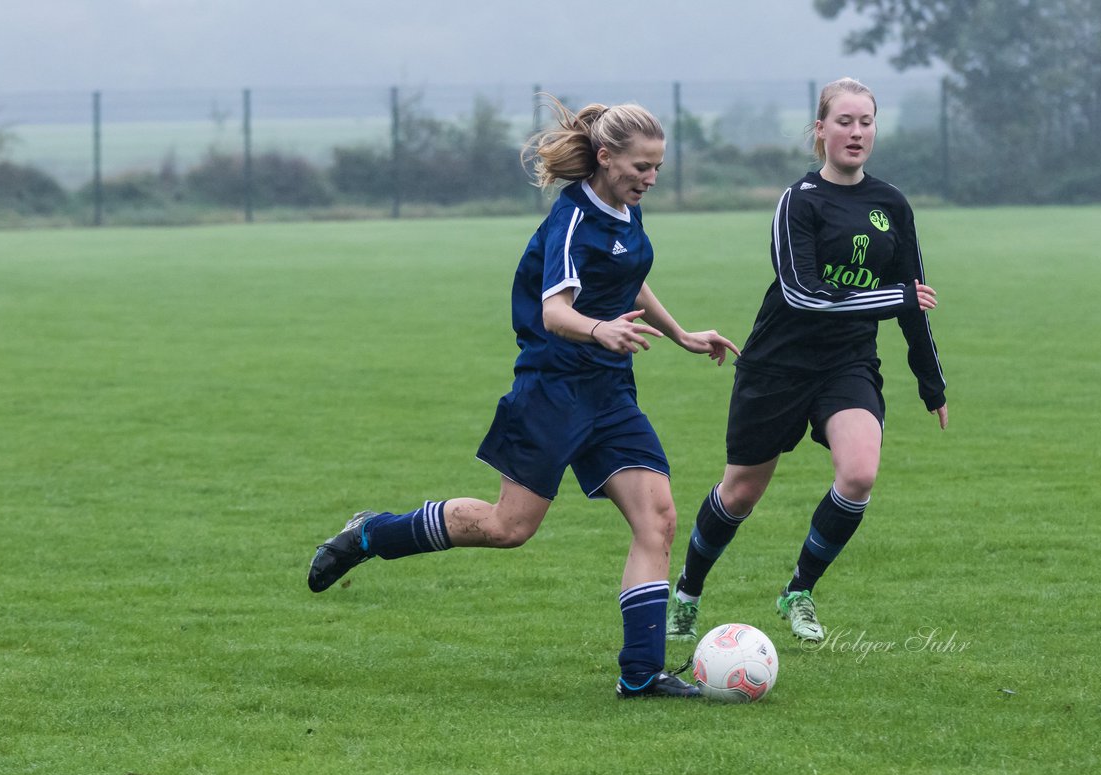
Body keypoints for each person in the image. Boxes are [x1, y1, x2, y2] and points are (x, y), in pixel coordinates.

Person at [307, 95, 739, 698]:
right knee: (509, 527)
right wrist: (599, 328)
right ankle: (374, 532)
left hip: (610, 394)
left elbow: (627, 275)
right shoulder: (570, 222)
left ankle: (640, 675)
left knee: (658, 519)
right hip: (552, 392)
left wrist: (681, 334)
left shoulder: (622, 208)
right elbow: (555, 311)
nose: (651, 178)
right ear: (606, 157)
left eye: (658, 167)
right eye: (641, 166)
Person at [666, 77, 947, 645]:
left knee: (860, 472)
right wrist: (893, 298)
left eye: (866, 122)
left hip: (847, 364)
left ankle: (799, 591)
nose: (856, 132)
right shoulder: (800, 200)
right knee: (740, 493)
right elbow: (804, 293)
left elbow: (911, 295)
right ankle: (687, 593)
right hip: (777, 364)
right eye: (844, 121)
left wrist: (931, 382)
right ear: (820, 130)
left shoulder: (891, 204)